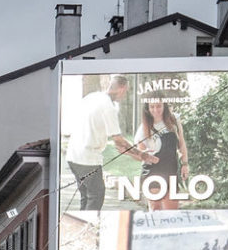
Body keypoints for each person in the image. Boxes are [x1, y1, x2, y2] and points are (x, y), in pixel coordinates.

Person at [65, 75, 151, 211]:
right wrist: (141, 154)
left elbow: (115, 140)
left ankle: (84, 228)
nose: (125, 95)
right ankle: (89, 228)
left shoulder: (92, 97)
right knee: (97, 195)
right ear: (122, 89)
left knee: (86, 196)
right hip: (87, 159)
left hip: (72, 156)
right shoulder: (108, 108)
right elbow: (118, 139)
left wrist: (127, 150)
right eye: (127, 91)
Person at [135, 97, 190, 210]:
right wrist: (145, 155)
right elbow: (140, 152)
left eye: (159, 106)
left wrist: (185, 164)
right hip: (152, 171)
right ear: (148, 108)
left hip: (171, 170)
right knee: (156, 210)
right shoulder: (144, 128)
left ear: (164, 106)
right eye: (152, 107)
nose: (156, 110)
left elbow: (182, 143)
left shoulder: (174, 120)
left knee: (172, 212)